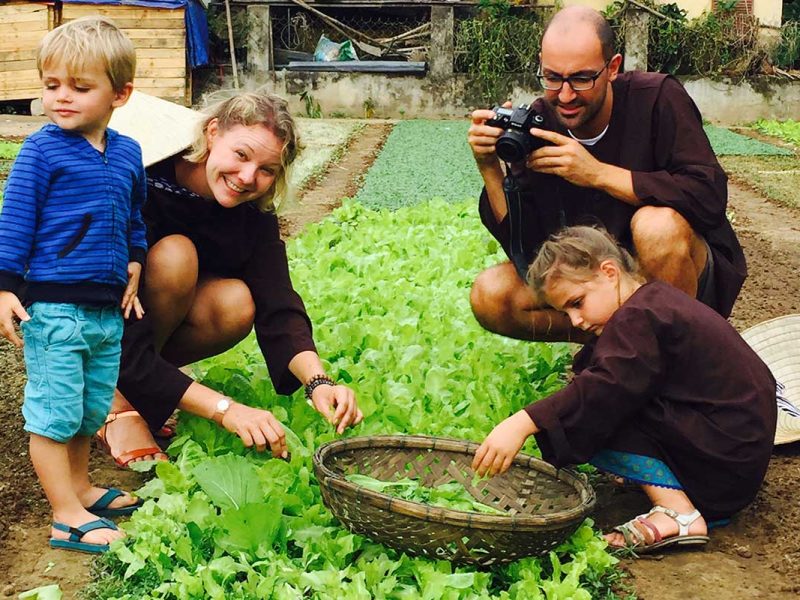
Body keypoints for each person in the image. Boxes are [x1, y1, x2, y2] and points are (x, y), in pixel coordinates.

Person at [95, 91, 364, 467]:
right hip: (97, 321)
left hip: (146, 335)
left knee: (235, 303)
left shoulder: (252, 213)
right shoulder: (144, 179)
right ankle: (114, 400)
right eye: (241, 155)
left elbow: (278, 304)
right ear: (212, 132)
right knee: (176, 255)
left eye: (267, 170)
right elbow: (105, 298)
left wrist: (319, 382)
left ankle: (147, 386)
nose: (248, 177)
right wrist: (226, 409)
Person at [472, 226, 776, 553]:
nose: (574, 321)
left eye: (577, 302)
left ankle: (678, 514)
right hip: (736, 459)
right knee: (591, 390)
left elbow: (605, 387)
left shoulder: (640, 316)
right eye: (565, 311)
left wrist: (523, 421)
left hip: (724, 464)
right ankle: (670, 486)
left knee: (598, 405)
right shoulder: (653, 302)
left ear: (609, 272)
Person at [467, 6, 745, 343]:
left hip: (675, 276)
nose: (566, 96)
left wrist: (596, 173)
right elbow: (528, 256)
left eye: (581, 78)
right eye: (553, 78)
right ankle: (612, 349)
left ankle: (675, 360)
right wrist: (489, 167)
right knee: (492, 294)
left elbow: (708, 195)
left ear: (612, 68)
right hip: (596, 282)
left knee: (656, 227)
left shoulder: (656, 99)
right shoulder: (542, 124)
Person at [0, 17, 146, 553]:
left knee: (88, 408)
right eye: (51, 85)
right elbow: (14, 219)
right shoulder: (42, 151)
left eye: (80, 88)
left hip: (105, 310)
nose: (61, 98)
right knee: (54, 412)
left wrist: (135, 259)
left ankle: (80, 488)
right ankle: (64, 515)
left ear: (120, 94)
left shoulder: (127, 153)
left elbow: (134, 215)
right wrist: (4, 285)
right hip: (55, 308)